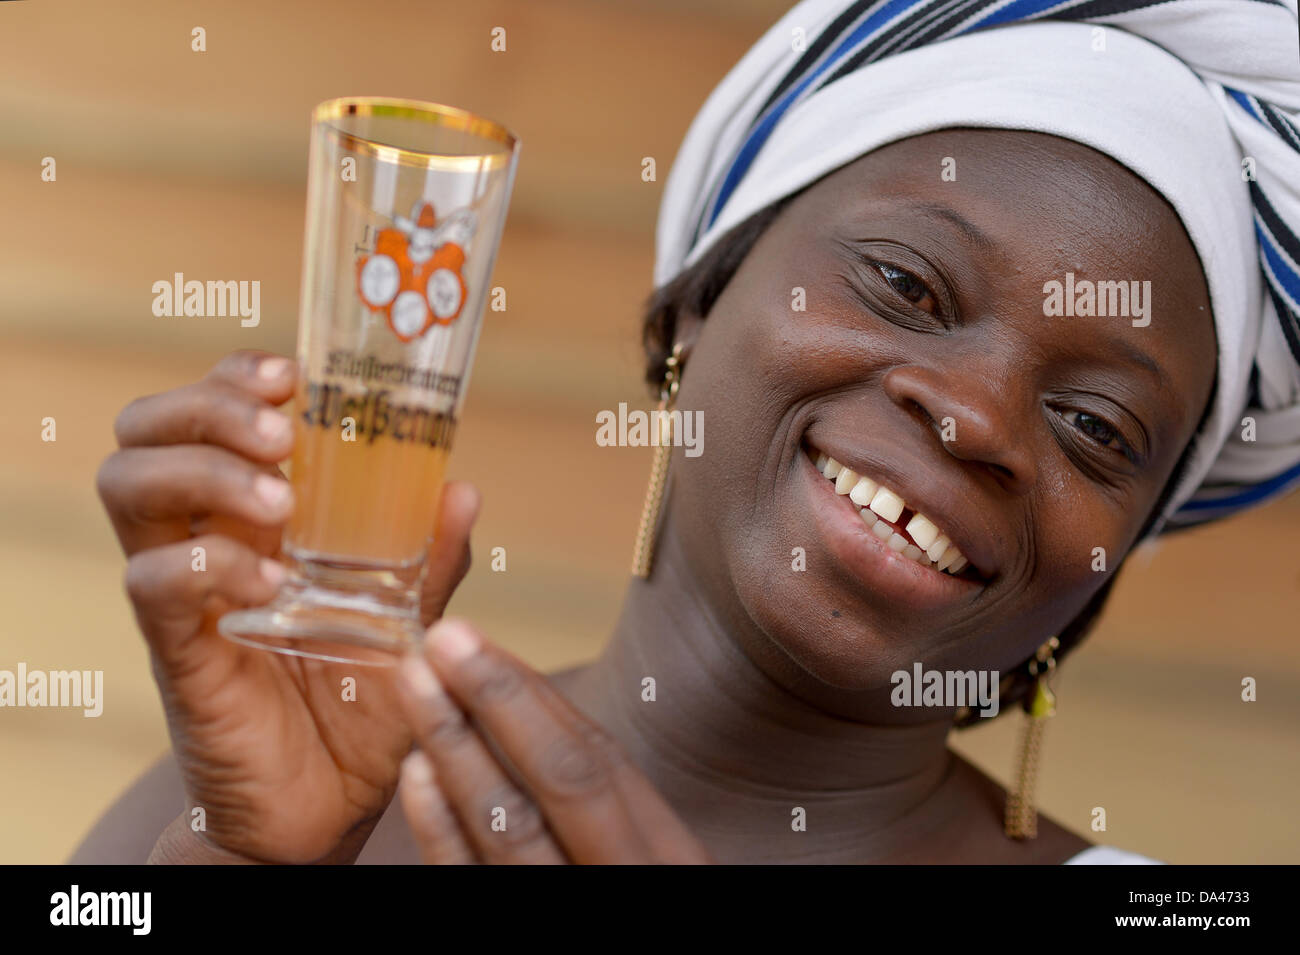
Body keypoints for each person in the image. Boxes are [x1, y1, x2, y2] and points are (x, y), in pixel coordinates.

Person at [77, 0, 1300, 864]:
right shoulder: (257, 802)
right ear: (695, 307)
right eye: (908, 287)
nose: (976, 415)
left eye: (1094, 425)